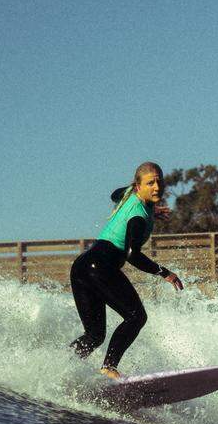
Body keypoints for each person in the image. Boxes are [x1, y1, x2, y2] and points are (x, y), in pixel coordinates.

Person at [69, 162, 184, 379]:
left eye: (159, 181)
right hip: (100, 267)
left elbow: (114, 194)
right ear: (139, 186)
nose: (157, 186)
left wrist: (150, 205)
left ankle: (61, 365)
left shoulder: (130, 195)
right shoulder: (138, 215)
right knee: (136, 316)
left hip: (82, 267)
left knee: (94, 336)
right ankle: (109, 367)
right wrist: (164, 273)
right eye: (150, 183)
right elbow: (133, 255)